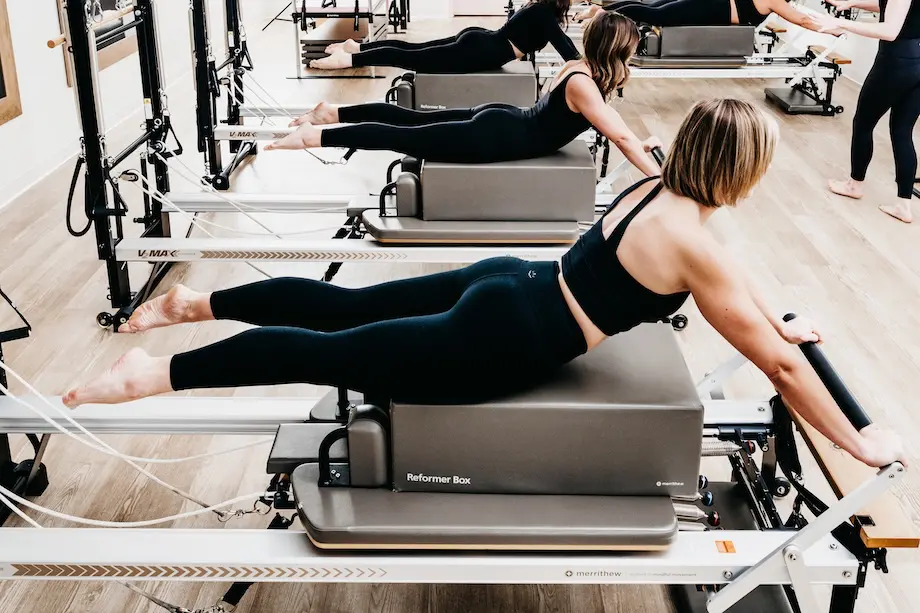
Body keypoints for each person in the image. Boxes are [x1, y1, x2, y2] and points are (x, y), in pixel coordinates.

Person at [63, 98, 907, 470]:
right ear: (744, 170)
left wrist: (777, 321)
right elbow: (783, 372)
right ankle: (153, 375)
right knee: (332, 352)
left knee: (341, 309)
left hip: (511, 281)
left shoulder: (660, 189)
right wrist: (856, 442)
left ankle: (194, 302)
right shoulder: (698, 241)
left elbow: (742, 282)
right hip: (503, 339)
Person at [265, 12, 662, 173]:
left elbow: (626, 132)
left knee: (410, 123)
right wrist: (658, 179)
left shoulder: (580, 68)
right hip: (497, 134)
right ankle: (315, 136)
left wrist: (646, 149)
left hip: (501, 121)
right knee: (403, 135)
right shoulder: (584, 84)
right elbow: (622, 135)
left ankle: (333, 112)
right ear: (617, 51)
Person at [811, 0, 919, 223]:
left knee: (863, 123)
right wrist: (850, 2)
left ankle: (854, 185)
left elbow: (890, 30)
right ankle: (904, 205)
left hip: (896, 61)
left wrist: (841, 23)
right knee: (902, 131)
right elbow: (892, 7)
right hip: (917, 60)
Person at [311, 0, 580, 71]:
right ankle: (349, 60)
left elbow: (565, 44)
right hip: (484, 49)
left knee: (411, 50)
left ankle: (356, 48)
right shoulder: (545, 15)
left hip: (482, 40)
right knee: (411, 58)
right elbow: (567, 50)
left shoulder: (538, 9)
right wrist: (592, 65)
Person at [574, 0, 834, 31]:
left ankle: (602, 9)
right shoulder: (775, 0)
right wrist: (834, 28)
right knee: (656, 15)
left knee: (651, 7)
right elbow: (801, 19)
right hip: (711, 7)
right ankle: (602, 12)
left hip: (713, 5)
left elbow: (799, 14)